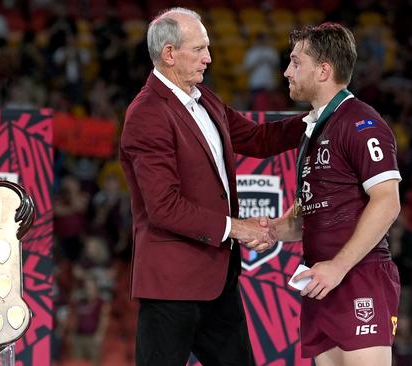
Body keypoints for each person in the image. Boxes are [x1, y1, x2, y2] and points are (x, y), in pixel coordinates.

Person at [119, 7, 305, 366]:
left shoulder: (205, 99)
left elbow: (259, 138)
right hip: (171, 287)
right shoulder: (146, 114)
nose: (209, 58)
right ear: (170, 53)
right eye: (199, 49)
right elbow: (164, 206)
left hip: (218, 281)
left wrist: (319, 118)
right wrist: (237, 227)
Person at [270, 22, 402, 365]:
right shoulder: (314, 129)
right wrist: (264, 230)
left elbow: (387, 201)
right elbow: (308, 217)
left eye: (296, 62)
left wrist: (339, 267)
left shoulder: (361, 122)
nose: (287, 72)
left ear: (324, 70)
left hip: (357, 275)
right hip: (322, 280)